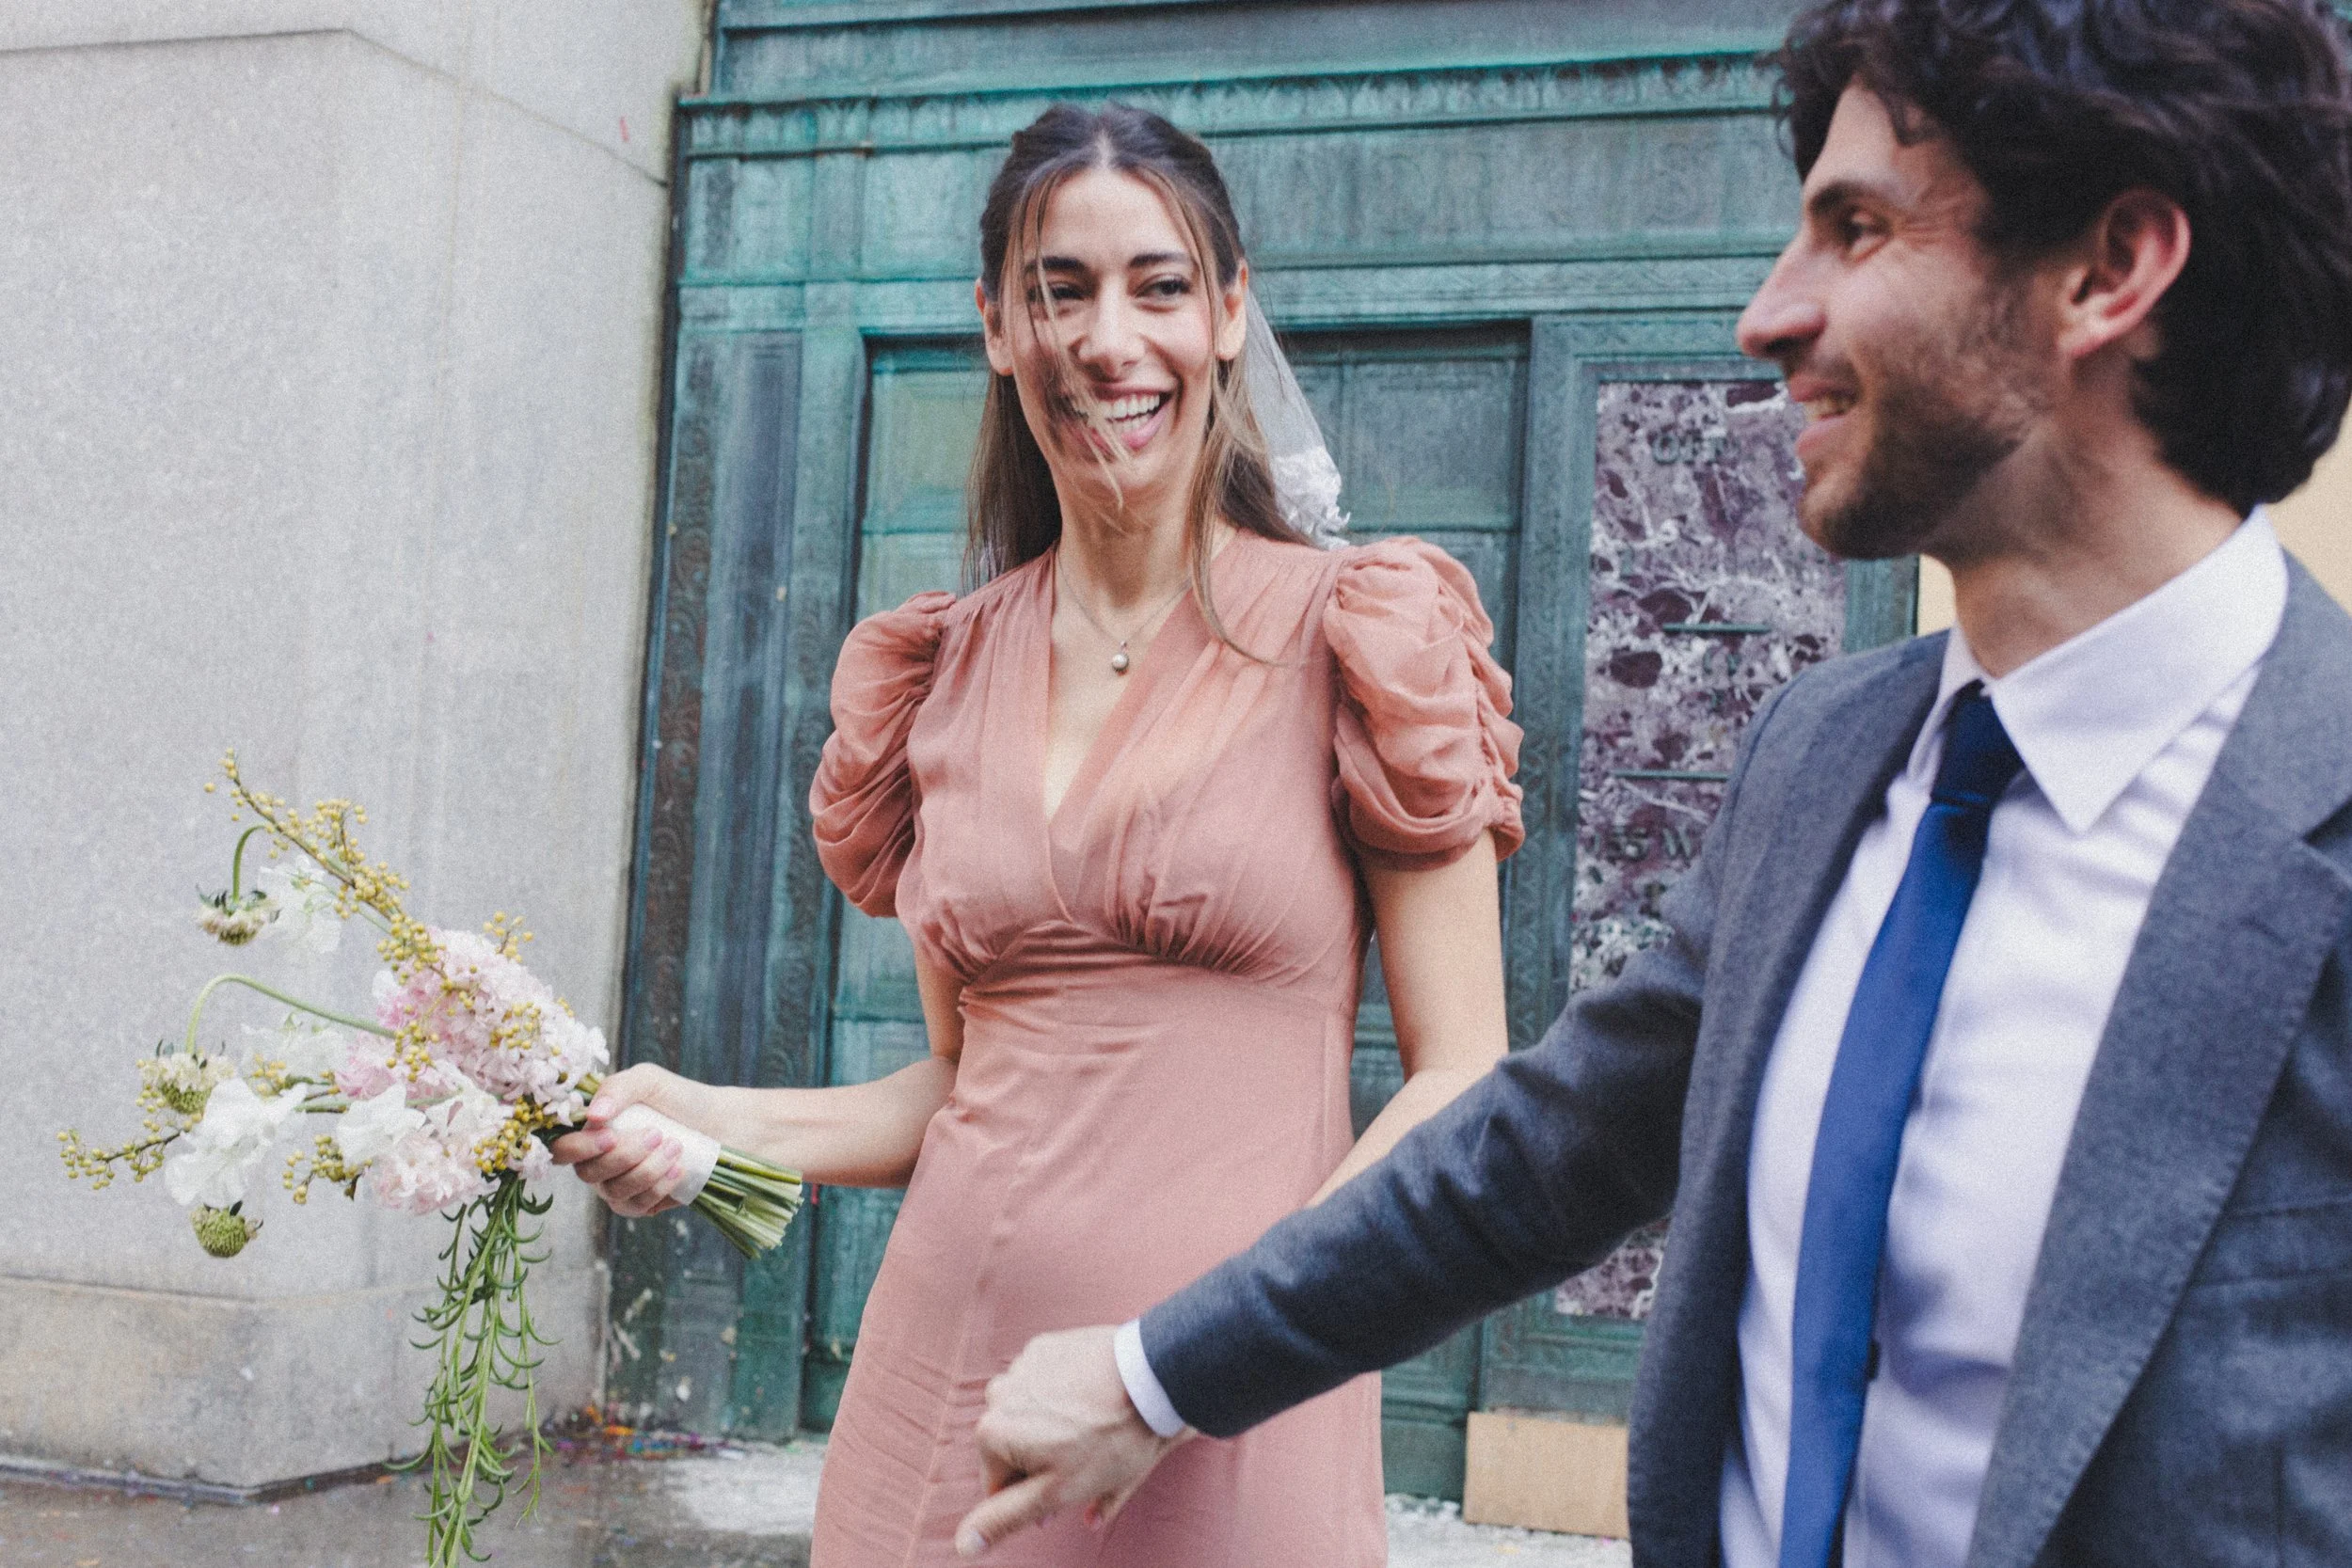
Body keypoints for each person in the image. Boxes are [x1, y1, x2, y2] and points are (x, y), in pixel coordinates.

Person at [955, 3, 2352, 1565]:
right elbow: (1527, 1163)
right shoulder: (1822, 759)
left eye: (1858, 229)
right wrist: (1154, 1376)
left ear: (2106, 272)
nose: (1769, 312)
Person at [554, 103, 1525, 1564]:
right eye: (1058, 291)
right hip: (942, 1402)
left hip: (1223, 1406)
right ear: (1001, 328)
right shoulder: (940, 670)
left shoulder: (1361, 637)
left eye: (1157, 285)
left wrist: (1198, 1354)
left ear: (1228, 312)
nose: (1106, 340)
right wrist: (703, 1114)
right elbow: (964, 1086)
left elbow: (1464, 1074)